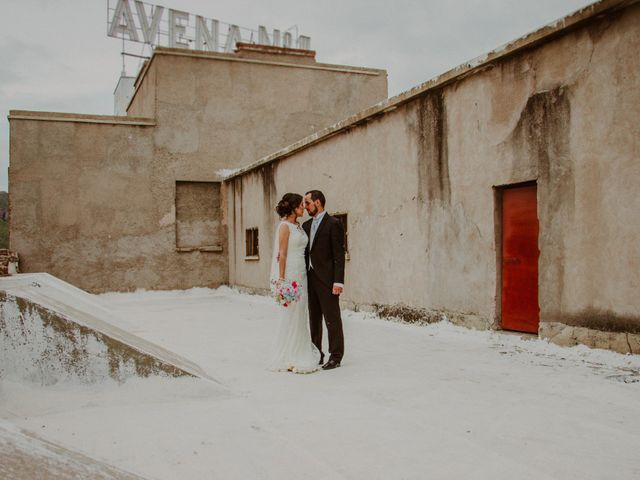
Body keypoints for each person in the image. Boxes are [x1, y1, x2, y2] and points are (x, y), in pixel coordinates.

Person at [269, 193, 321, 373]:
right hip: (290, 274)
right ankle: (288, 354)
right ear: (292, 208)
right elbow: (282, 254)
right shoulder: (284, 226)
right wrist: (282, 279)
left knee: (300, 312)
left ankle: (300, 349)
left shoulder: (298, 226)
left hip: (302, 273)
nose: (303, 208)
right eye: (300, 205)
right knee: (290, 312)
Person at [303, 190, 346, 370]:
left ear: (318, 202)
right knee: (314, 318)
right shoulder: (305, 226)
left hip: (328, 280)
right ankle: (316, 353)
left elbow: (339, 255)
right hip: (310, 278)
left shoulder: (333, 223)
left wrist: (338, 281)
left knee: (332, 318)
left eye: (307, 203)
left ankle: (336, 356)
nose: (305, 207)